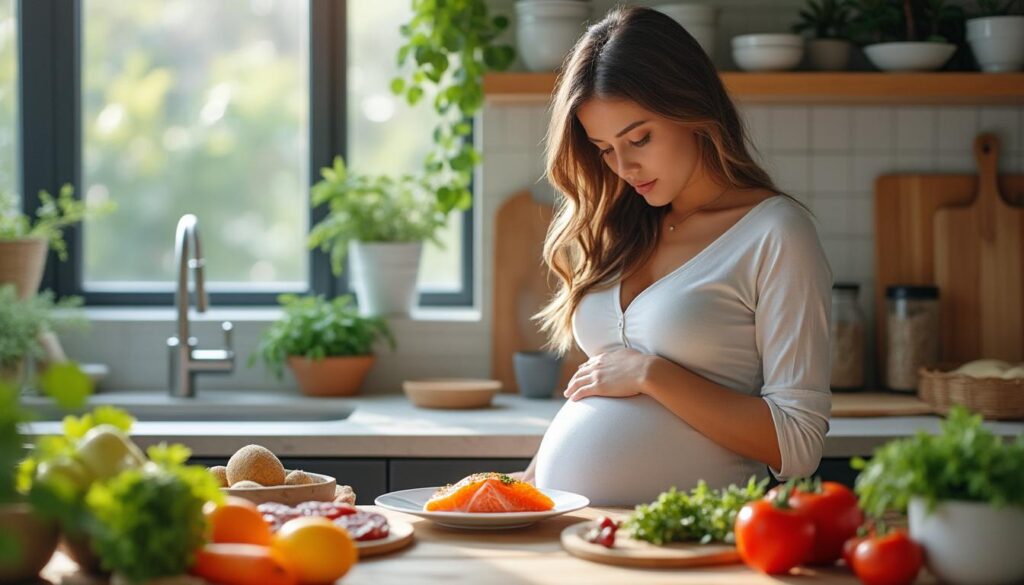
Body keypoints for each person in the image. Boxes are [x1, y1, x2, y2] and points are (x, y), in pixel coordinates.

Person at [512, 6, 833, 506]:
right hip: (577, 536)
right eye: (604, 148)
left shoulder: (775, 233)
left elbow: (797, 444)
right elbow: (595, 396)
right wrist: (519, 488)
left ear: (692, 110)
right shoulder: (620, 229)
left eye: (639, 138)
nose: (624, 166)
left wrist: (649, 373)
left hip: (690, 546)